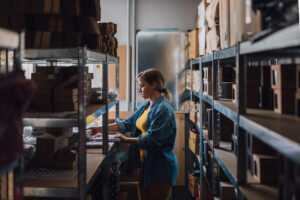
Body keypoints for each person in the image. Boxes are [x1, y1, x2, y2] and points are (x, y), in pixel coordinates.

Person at [88, 68, 178, 200]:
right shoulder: (146, 106)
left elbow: (151, 140)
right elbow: (127, 123)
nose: (140, 90)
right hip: (147, 166)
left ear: (153, 85)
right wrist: (100, 129)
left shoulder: (163, 110)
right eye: (139, 86)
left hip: (160, 168)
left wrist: (126, 139)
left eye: (142, 85)